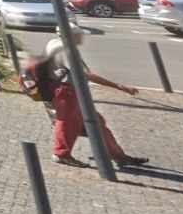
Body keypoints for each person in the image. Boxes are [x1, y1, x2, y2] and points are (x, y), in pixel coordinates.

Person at [46, 30, 148, 169]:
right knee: (68, 125)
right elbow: (87, 75)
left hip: (67, 91)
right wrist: (121, 87)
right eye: (78, 34)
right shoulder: (66, 51)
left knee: (96, 122)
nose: (82, 37)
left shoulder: (53, 43)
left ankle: (118, 156)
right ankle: (61, 154)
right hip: (68, 92)